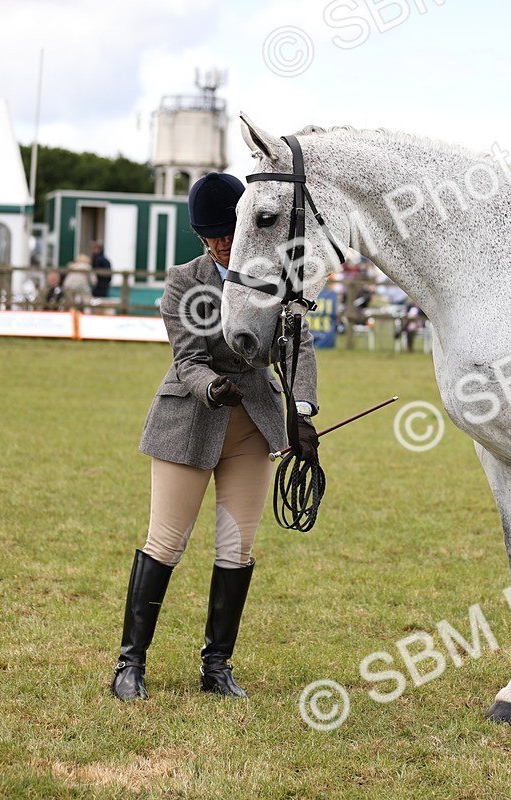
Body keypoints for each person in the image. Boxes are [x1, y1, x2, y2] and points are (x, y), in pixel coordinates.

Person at [110, 172, 321, 702]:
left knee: (237, 545)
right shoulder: (185, 281)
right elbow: (187, 359)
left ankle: (217, 666)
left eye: (226, 233)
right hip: (190, 421)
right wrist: (211, 386)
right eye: (210, 237)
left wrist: (301, 412)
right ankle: (129, 664)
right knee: (166, 542)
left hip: (253, 424)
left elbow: (298, 345)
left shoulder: (275, 275)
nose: (220, 245)